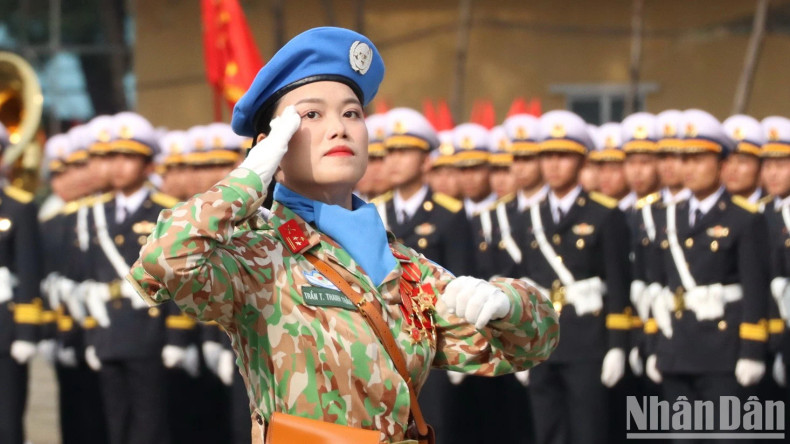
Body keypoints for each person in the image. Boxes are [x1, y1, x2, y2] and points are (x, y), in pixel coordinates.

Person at [128, 27, 559, 443]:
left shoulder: (402, 265)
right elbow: (164, 260)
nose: (340, 128)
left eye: (352, 113)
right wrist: (247, 180)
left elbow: (527, 347)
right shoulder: (257, 253)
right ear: (271, 144)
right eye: (311, 115)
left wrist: (509, 305)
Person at [647, 110, 771, 442]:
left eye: (699, 159)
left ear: (722, 164)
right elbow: (660, 287)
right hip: (676, 349)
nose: (689, 168)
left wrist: (752, 351)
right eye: (684, 159)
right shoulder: (668, 217)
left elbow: (755, 289)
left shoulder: (744, 218)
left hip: (723, 353)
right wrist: (654, 345)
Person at [513, 110, 632, 444]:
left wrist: (618, 346)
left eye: (563, 156)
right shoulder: (529, 217)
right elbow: (524, 285)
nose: (553, 164)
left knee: (587, 430)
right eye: (547, 155)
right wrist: (517, 346)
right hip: (541, 340)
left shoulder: (604, 214)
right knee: (547, 430)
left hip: (587, 341)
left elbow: (618, 285)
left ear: (582, 161)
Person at [0, 122, 43, 444]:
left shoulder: (18, 207)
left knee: (7, 423)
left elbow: (29, 270)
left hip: (4, 331)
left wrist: (26, 331)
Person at [721, 114, 771, 205]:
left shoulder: (773, 209)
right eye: (727, 160)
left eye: (742, 161)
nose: (733, 169)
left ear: (760, 167)